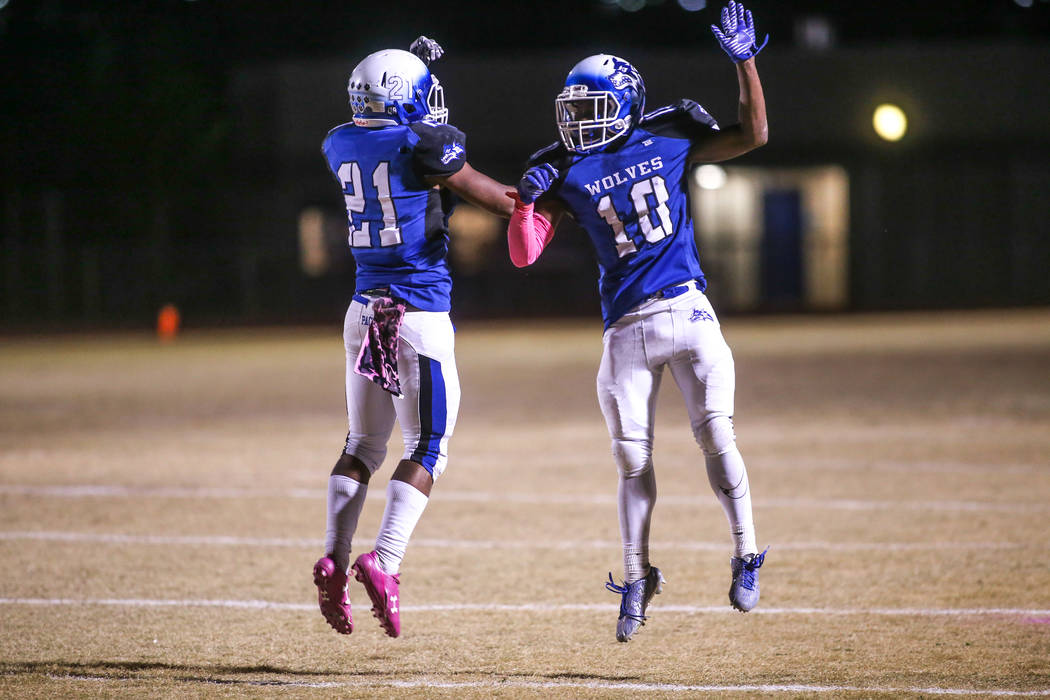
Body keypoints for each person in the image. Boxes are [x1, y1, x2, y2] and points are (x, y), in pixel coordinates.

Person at [506, 2, 769, 642]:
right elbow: (524, 254)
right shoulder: (563, 167)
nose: (576, 124)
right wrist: (526, 201)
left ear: (623, 106)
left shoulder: (673, 132)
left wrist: (746, 63)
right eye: (569, 111)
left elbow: (753, 134)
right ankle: (634, 576)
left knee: (716, 436)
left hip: (688, 308)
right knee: (631, 459)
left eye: (589, 110)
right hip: (625, 326)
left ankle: (746, 551)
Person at [313, 37, 512, 638]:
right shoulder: (424, 144)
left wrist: (409, 68)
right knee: (428, 448)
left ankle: (333, 555)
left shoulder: (337, 141)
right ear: (401, 104)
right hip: (416, 315)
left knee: (363, 444)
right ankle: (386, 561)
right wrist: (556, 200)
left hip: (362, 311)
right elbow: (494, 196)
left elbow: (387, 129)